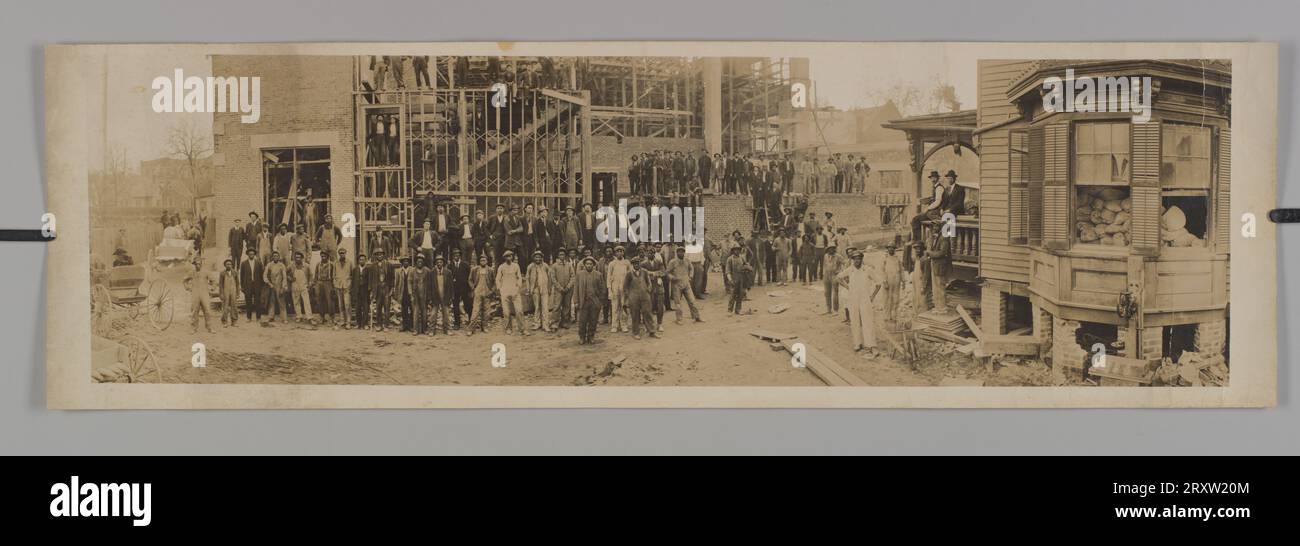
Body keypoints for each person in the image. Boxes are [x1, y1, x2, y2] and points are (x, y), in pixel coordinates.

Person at [837, 249, 879, 354]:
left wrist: (872, 296)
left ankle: (870, 344)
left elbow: (879, 283)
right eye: (855, 259)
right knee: (854, 320)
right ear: (852, 260)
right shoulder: (850, 270)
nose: (857, 261)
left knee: (867, 321)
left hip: (865, 298)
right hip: (853, 298)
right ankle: (857, 343)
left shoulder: (867, 269)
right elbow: (838, 278)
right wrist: (847, 287)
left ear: (861, 259)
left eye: (859, 259)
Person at [624, 257, 659, 340]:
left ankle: (652, 331)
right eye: (635, 263)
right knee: (635, 315)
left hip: (645, 296)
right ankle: (635, 332)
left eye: (638, 263)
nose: (637, 265)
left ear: (640, 263)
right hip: (634, 297)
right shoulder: (629, 273)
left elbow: (649, 282)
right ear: (632, 264)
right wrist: (629, 295)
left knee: (648, 313)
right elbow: (625, 286)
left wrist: (649, 289)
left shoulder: (644, 272)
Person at [666, 246, 702, 325]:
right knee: (678, 303)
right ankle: (679, 319)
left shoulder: (687, 260)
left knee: (692, 301)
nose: (681, 253)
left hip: (686, 283)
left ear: (684, 253)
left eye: (682, 252)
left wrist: (691, 276)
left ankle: (696, 317)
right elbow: (668, 272)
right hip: (676, 285)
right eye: (679, 252)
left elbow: (691, 268)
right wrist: (672, 278)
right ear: (677, 253)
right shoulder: (672, 262)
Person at [496, 250, 527, 335]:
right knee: (506, 312)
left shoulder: (516, 266)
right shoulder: (501, 267)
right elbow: (498, 279)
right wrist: (500, 289)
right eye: (507, 256)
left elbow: (519, 277)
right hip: (505, 291)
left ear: (512, 257)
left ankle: (522, 329)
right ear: (504, 258)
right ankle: (508, 328)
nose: (508, 258)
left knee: (519, 310)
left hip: (514, 291)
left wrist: (518, 286)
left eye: (510, 256)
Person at [574, 256, 603, 344]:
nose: (589, 265)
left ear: (593, 265)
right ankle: (582, 337)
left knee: (593, 320)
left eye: (591, 264)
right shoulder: (579, 274)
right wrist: (576, 301)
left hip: (594, 301)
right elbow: (576, 288)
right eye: (587, 264)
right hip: (584, 301)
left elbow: (602, 288)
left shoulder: (598, 274)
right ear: (584, 265)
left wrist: (600, 301)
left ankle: (591, 336)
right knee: (582, 321)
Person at [911, 170, 946, 242]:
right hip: (932, 210)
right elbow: (933, 199)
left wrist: (928, 208)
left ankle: (917, 240)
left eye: (934, 178)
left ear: (937, 178)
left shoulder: (939, 188)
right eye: (932, 178)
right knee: (915, 219)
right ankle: (917, 240)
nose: (933, 179)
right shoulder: (935, 187)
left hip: (937, 210)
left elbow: (938, 201)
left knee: (918, 219)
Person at [466, 254, 495, 336]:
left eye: (484, 260)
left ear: (487, 261)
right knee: (475, 311)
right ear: (479, 261)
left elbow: (494, 282)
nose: (483, 261)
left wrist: (491, 291)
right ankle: (471, 329)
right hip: (477, 292)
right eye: (481, 260)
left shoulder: (490, 270)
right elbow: (470, 280)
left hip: (487, 292)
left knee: (486, 312)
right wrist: (473, 289)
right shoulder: (474, 269)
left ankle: (484, 326)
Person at [605, 245, 632, 333]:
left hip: (624, 288)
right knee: (615, 307)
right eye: (617, 251)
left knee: (624, 306)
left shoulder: (627, 263)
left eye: (621, 251)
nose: (619, 253)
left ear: (623, 252)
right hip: (615, 287)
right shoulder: (612, 264)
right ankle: (614, 325)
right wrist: (609, 289)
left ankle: (624, 325)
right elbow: (608, 277)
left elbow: (630, 275)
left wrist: (629, 288)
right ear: (615, 253)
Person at [525, 250, 553, 332]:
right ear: (534, 258)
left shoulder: (545, 266)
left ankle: (545, 325)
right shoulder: (530, 266)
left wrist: (549, 288)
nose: (538, 258)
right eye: (536, 257)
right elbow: (527, 278)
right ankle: (537, 324)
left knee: (545, 307)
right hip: (535, 289)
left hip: (544, 289)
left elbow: (550, 277)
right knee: (537, 307)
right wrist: (529, 288)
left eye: (539, 257)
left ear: (542, 258)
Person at [927, 228, 952, 312]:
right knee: (936, 287)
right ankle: (938, 306)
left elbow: (942, 252)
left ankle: (942, 307)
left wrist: (930, 254)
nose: (933, 228)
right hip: (936, 265)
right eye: (933, 227)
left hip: (940, 266)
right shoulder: (937, 236)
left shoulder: (944, 237)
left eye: (936, 226)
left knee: (940, 286)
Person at [368, 250, 393, 331]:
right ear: (376, 256)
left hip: (386, 288)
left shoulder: (388, 265)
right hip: (377, 289)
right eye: (378, 254)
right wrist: (371, 290)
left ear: (383, 255)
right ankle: (379, 324)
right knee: (378, 307)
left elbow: (392, 278)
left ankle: (386, 325)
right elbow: (370, 279)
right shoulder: (372, 266)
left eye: (381, 254)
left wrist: (392, 289)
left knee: (387, 307)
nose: (379, 256)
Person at [448, 248, 472, 330]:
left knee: (468, 305)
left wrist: (470, 290)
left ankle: (470, 321)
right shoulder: (450, 266)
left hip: (465, 289)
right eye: (454, 254)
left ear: (460, 255)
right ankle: (457, 323)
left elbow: (470, 278)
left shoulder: (465, 265)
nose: (456, 256)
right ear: (452, 256)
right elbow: (448, 279)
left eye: (458, 254)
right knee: (455, 306)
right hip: (455, 290)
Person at [551, 248, 576, 329]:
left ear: (565, 256)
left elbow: (573, 276)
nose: (562, 256)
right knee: (557, 306)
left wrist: (568, 286)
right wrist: (560, 288)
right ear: (558, 256)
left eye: (563, 254)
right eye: (560, 254)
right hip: (559, 290)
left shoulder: (569, 265)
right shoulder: (554, 266)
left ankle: (564, 321)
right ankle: (554, 322)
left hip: (568, 289)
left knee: (567, 305)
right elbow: (553, 278)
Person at [880, 244, 904, 326]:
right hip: (888, 279)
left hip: (896, 279)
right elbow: (882, 270)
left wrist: (903, 281)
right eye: (889, 248)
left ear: (894, 249)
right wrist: (884, 281)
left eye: (892, 248)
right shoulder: (884, 258)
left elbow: (901, 270)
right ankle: (887, 315)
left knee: (896, 298)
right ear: (887, 249)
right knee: (887, 298)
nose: (891, 249)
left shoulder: (897, 258)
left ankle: (894, 315)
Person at [429, 256, 454, 335]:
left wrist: (450, 297)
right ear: (435, 263)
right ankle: (432, 330)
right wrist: (430, 298)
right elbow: (429, 286)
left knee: (446, 314)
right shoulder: (432, 273)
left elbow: (451, 286)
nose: (439, 264)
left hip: (445, 296)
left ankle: (447, 330)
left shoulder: (448, 272)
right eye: (437, 262)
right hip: (435, 297)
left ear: (443, 263)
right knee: (433, 315)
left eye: (441, 262)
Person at [239, 247, 263, 323]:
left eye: (252, 254)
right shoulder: (244, 263)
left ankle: (258, 317)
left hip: (257, 285)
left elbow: (261, 275)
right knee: (248, 301)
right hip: (248, 285)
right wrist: (242, 287)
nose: (251, 255)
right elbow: (242, 276)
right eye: (250, 254)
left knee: (257, 302)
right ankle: (248, 317)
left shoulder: (258, 263)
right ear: (248, 254)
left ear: (254, 254)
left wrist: (261, 286)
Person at [264, 251, 289, 324]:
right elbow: (264, 276)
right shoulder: (269, 265)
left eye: (277, 256)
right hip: (272, 286)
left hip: (279, 285)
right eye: (274, 256)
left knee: (282, 302)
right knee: (271, 302)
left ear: (279, 257)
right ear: (272, 257)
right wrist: (269, 284)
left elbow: (284, 277)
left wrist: (283, 287)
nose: (275, 257)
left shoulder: (282, 265)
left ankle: (284, 318)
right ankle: (271, 317)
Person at [289, 251, 314, 324]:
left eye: (299, 257)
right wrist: (290, 278)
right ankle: (299, 316)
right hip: (295, 285)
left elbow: (311, 275)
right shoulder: (292, 265)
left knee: (306, 302)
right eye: (296, 257)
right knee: (296, 302)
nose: (298, 259)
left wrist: (309, 284)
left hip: (304, 285)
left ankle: (309, 317)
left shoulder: (306, 266)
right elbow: (285, 272)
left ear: (302, 258)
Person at [724, 246, 749, 315]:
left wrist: (747, 267)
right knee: (732, 295)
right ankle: (729, 310)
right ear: (733, 251)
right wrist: (730, 279)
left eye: (738, 250)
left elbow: (745, 265)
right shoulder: (730, 259)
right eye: (735, 250)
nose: (737, 251)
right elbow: (727, 271)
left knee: (740, 294)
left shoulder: (741, 257)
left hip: (741, 278)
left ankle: (738, 309)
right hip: (733, 279)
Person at [334, 248, 354, 329]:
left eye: (343, 253)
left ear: (345, 253)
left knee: (347, 304)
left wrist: (350, 284)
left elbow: (352, 275)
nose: (342, 254)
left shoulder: (349, 263)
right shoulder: (336, 263)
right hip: (339, 286)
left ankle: (348, 322)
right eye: (340, 253)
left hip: (346, 286)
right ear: (339, 254)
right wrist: (335, 284)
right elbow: (334, 275)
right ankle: (342, 320)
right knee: (340, 305)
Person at [823, 245, 845, 315]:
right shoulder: (826, 256)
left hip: (834, 275)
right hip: (826, 275)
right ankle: (828, 309)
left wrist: (840, 271)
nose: (831, 250)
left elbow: (844, 263)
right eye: (829, 249)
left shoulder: (838, 256)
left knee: (835, 293)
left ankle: (835, 310)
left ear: (834, 249)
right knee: (827, 293)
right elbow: (825, 265)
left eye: (832, 249)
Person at [218, 259, 239, 327]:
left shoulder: (235, 272)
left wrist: (238, 293)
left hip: (233, 291)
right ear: (225, 265)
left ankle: (234, 321)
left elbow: (237, 284)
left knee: (234, 306)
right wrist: (221, 294)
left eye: (230, 264)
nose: (229, 265)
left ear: (232, 265)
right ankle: (224, 322)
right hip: (225, 291)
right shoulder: (222, 273)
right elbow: (220, 284)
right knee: (225, 307)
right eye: (227, 264)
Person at [353, 254, 371, 329]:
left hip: (365, 291)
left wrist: (370, 290)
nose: (362, 261)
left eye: (363, 259)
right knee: (357, 307)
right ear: (358, 261)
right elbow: (353, 281)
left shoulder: (368, 269)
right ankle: (358, 323)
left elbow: (370, 280)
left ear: (365, 261)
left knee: (365, 307)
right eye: (360, 259)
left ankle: (365, 323)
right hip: (357, 290)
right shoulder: (355, 269)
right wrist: (353, 291)